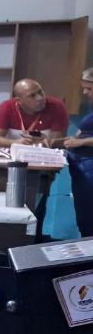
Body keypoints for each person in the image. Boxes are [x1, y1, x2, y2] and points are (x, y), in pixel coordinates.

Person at [56, 68, 93, 237]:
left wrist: (81, 142)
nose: (85, 92)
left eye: (89, 88)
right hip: (81, 170)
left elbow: (81, 139)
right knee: (85, 219)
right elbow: (77, 136)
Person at [0, 78, 69, 149]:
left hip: (44, 154)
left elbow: (58, 143)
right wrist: (16, 143)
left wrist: (48, 141)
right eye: (32, 95)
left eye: (40, 92)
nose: (40, 98)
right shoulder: (7, 107)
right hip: (13, 153)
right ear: (18, 100)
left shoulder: (56, 106)